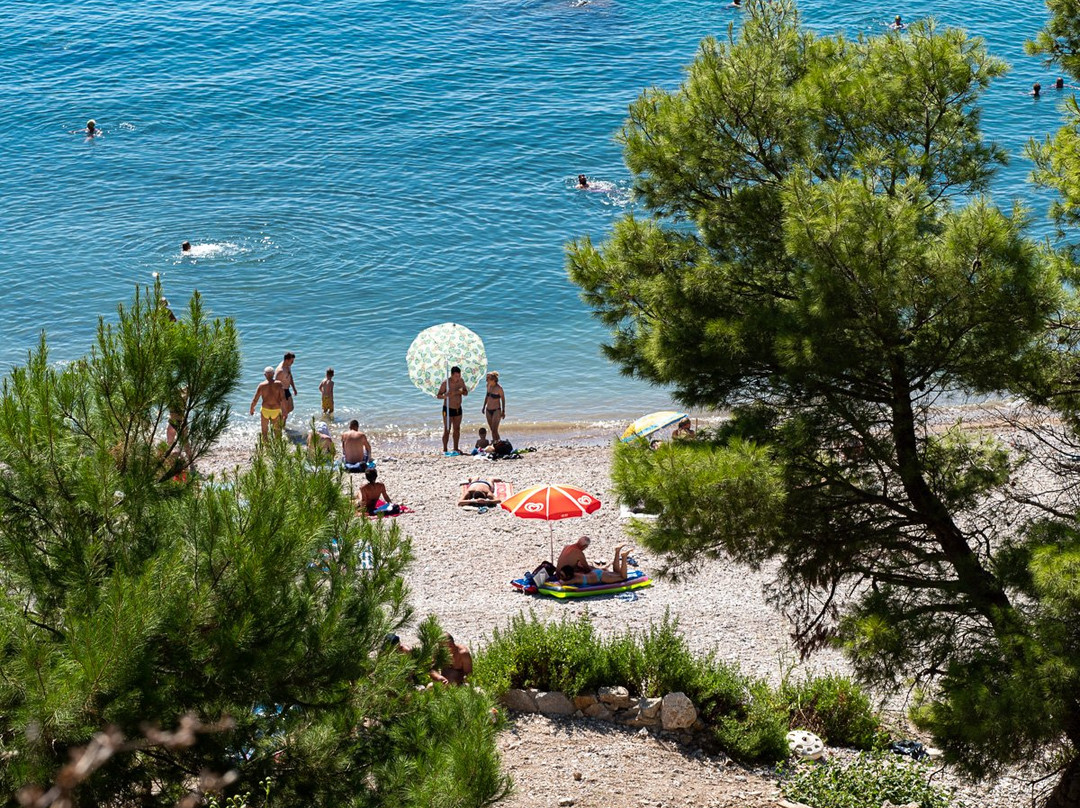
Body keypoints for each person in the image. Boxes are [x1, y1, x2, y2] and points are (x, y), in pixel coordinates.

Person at [559, 545, 633, 586]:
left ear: (568, 576)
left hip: (601, 577)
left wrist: (560, 580)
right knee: (617, 573)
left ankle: (624, 557)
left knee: (623, 577)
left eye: (562, 575)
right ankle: (617, 551)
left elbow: (562, 583)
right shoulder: (576, 572)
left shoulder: (574, 579)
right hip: (596, 572)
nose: (561, 577)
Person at [437, 366, 469, 455]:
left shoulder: (461, 381)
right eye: (456, 376)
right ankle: (445, 449)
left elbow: (466, 392)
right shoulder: (446, 383)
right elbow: (438, 395)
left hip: (458, 409)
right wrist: (445, 396)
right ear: (451, 375)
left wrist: (460, 392)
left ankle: (455, 448)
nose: (457, 378)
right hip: (447, 409)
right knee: (447, 429)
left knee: (457, 429)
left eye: (459, 376)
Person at [249, 366, 286, 439]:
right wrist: (285, 411)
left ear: (265, 375)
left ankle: (266, 448)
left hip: (265, 410)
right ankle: (277, 449)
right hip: (276, 410)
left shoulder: (261, 385)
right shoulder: (279, 384)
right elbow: (283, 398)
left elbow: (255, 399)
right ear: (274, 374)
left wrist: (252, 409)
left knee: (264, 432)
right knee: (277, 432)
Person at [482, 371, 506, 442]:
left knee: (495, 430)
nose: (486, 380)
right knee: (492, 430)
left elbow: (503, 399)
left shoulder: (499, 388)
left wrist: (503, 411)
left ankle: (498, 443)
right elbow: (486, 396)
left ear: (493, 379)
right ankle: (496, 444)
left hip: (496, 410)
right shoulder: (488, 385)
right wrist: (483, 407)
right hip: (488, 410)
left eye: (488, 378)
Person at [275, 352, 298, 425]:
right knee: (285, 413)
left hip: (287, 390)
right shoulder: (280, 370)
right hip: (281, 392)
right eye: (292, 361)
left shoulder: (288, 366)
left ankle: (280, 420)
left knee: (291, 408)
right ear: (287, 360)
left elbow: (290, 376)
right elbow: (275, 384)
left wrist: (294, 388)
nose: (293, 363)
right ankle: (280, 426)